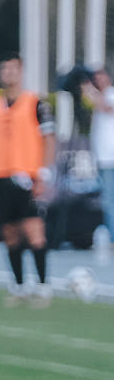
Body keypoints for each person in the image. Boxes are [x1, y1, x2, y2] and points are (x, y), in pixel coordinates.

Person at [0, 53, 57, 306]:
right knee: (9, 232)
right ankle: (19, 286)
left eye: (12, 69)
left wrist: (43, 173)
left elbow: (49, 139)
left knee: (34, 231)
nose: (8, 74)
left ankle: (42, 286)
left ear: (21, 72)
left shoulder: (36, 103)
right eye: (4, 69)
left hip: (27, 176)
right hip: (1, 174)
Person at [81, 65, 114, 265]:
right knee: (106, 200)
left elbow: (106, 107)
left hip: (111, 157)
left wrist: (90, 92)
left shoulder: (110, 94)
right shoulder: (97, 97)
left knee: (110, 200)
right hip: (102, 157)